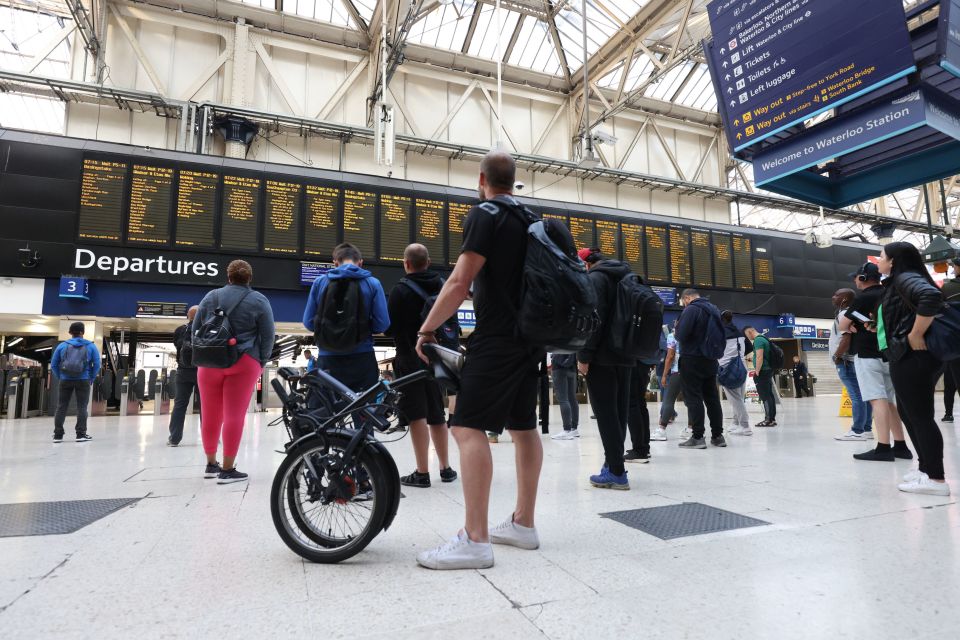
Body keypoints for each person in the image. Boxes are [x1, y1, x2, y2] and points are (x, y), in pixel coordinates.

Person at [414, 151, 544, 570]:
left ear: (482, 179)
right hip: (530, 340)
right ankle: (523, 524)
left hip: (498, 337)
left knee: (467, 427)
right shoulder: (531, 218)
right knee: (524, 428)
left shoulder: (485, 214)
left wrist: (427, 329)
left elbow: (459, 281)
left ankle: (475, 538)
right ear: (514, 181)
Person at [876, 242, 949, 496]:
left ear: (893, 261)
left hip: (913, 357)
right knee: (910, 415)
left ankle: (937, 479)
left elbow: (930, 296)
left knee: (920, 417)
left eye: (882, 256)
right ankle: (926, 469)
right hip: (908, 356)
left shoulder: (905, 277)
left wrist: (915, 333)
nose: (879, 261)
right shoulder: (900, 280)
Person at [194, 260, 275, 484]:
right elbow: (268, 335)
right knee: (234, 415)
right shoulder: (259, 300)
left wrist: (202, 354)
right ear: (249, 278)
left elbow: (196, 328)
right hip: (244, 361)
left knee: (210, 414)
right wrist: (261, 361)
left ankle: (211, 464)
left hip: (209, 362)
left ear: (228, 277)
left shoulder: (211, 296)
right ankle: (227, 469)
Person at [385, 243, 457, 488]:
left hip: (409, 358)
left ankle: (422, 472)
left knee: (416, 414)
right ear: (428, 262)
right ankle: (445, 468)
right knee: (437, 413)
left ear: (406, 264)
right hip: (436, 357)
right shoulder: (443, 285)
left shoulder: (399, 291)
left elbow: (389, 327)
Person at [839, 263, 912, 462]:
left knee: (876, 399)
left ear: (862, 278)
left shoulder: (863, 297)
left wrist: (854, 326)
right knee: (889, 401)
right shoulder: (890, 293)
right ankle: (901, 445)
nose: (855, 280)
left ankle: (882, 447)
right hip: (889, 354)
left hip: (867, 355)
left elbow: (842, 325)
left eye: (856, 277)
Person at [577, 248, 635, 489]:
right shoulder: (627, 276)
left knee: (606, 415)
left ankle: (617, 472)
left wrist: (584, 356)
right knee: (619, 413)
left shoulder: (595, 279)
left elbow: (593, 321)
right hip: (627, 355)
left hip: (602, 357)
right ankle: (612, 463)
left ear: (587, 264)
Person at [302, 243, 390, 392]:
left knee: (327, 412)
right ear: (360, 263)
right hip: (362, 357)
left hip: (328, 359)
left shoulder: (320, 282)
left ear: (335, 262)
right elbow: (382, 324)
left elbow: (309, 323)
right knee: (365, 411)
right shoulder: (373, 283)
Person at [675, 289, 726, 449]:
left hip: (692, 358)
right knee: (712, 398)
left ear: (687, 298)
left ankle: (698, 437)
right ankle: (718, 436)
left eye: (683, 302)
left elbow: (681, 335)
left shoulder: (692, 309)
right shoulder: (714, 309)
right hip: (710, 359)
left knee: (693, 397)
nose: (683, 305)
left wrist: (677, 328)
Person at [829, 289, 874, 440]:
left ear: (844, 299)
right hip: (856, 359)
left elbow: (846, 339)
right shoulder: (855, 313)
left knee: (856, 395)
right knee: (864, 395)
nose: (833, 297)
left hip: (846, 361)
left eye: (836, 295)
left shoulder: (844, 314)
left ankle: (857, 430)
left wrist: (837, 356)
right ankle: (866, 429)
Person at [50, 321, 101, 443]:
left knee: (61, 407)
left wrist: (60, 376)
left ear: (70, 332)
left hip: (65, 380)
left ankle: (58, 435)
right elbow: (97, 364)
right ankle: (81, 434)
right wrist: (91, 378)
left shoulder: (62, 346)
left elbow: (53, 364)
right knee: (82, 407)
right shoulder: (91, 346)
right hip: (83, 379)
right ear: (83, 332)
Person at [168, 305, 200, 447]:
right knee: (206, 406)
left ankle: (174, 438)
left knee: (180, 405)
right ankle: (210, 437)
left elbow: (177, 346)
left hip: (182, 371)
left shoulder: (180, 330)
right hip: (202, 372)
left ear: (188, 315)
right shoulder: (206, 330)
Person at [719, 310, 751, 436]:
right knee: (739, 397)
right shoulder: (740, 332)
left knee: (735, 399)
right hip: (741, 367)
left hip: (727, 369)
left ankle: (745, 425)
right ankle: (736, 423)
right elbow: (750, 347)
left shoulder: (721, 333)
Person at [653, 324, 682, 441]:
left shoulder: (672, 335)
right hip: (693, 370)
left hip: (676, 370)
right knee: (692, 401)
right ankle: (692, 429)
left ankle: (662, 427)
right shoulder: (696, 333)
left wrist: (665, 374)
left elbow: (669, 355)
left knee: (668, 398)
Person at [940, 259, 960, 423]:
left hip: (954, 342)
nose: (953, 269)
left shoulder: (948, 287)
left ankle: (948, 413)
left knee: (951, 381)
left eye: (954, 266)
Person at [744, 327, 776, 427]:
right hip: (768, 370)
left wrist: (757, 371)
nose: (747, 337)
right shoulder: (764, 338)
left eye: (747, 335)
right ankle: (772, 419)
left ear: (750, 331)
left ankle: (768, 420)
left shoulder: (758, 340)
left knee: (765, 396)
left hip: (763, 371)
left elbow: (759, 357)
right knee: (769, 395)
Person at [550, 352, 580, 440]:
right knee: (572, 398)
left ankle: (566, 430)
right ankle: (574, 429)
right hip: (572, 367)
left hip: (558, 367)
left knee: (563, 399)